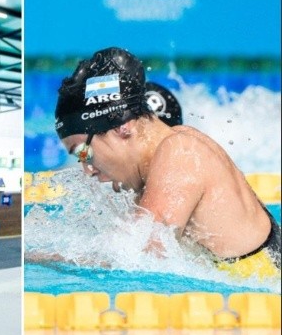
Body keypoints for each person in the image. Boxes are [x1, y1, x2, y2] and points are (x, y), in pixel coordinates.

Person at [53, 46, 280, 274]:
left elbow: (137, 257)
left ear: (121, 126)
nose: (87, 169)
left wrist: (44, 258)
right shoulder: (177, 143)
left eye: (83, 152)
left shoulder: (180, 153)